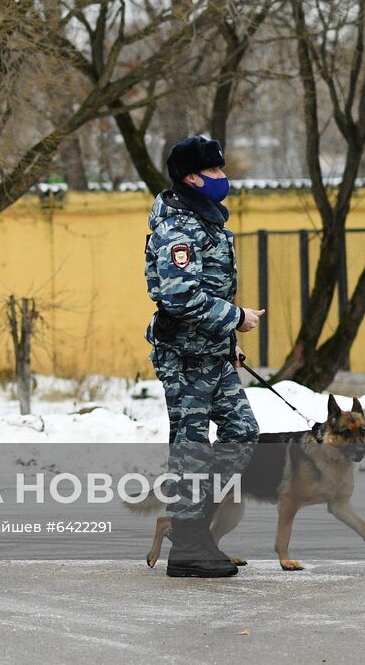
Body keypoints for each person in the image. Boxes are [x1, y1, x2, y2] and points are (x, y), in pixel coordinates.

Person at [144, 137, 262, 578]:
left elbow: (205, 292)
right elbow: (178, 296)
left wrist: (228, 341)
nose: (222, 179)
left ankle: (189, 521)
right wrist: (237, 317)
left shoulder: (203, 220)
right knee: (191, 448)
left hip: (211, 353)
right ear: (191, 177)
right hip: (185, 357)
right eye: (213, 173)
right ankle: (190, 545)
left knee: (242, 432)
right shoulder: (179, 227)